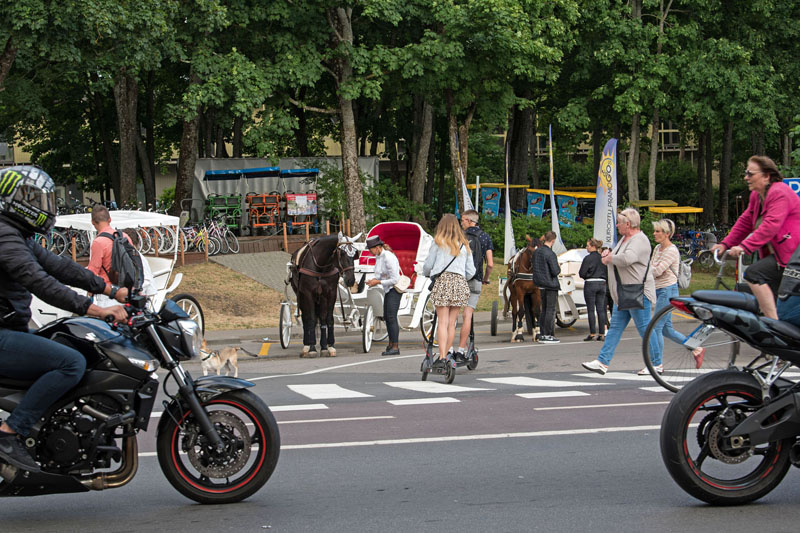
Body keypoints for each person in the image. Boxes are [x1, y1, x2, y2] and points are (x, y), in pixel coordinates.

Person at [0, 166, 128, 472]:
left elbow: (60, 267)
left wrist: (111, 289)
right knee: (71, 363)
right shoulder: (5, 237)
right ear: (15, 199)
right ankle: (9, 433)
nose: (44, 206)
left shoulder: (16, 233)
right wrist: (96, 309)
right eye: (34, 198)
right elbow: (41, 282)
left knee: (68, 342)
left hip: (11, 327)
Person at [710, 155, 800, 320]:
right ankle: (775, 333)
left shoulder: (779, 192)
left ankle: (774, 328)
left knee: (754, 274)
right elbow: (744, 222)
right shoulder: (757, 196)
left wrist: (744, 247)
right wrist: (725, 244)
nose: (746, 177)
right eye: (746, 173)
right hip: (781, 257)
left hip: (793, 257)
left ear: (766, 176)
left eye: (750, 174)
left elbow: (771, 225)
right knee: (776, 302)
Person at [582, 208, 658, 375]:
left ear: (628, 224)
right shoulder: (625, 239)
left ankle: (656, 363)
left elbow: (627, 258)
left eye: (619, 222)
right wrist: (608, 253)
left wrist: (610, 258)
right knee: (615, 327)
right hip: (624, 293)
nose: (616, 225)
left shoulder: (639, 240)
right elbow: (619, 256)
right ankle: (602, 362)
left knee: (644, 328)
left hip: (637, 292)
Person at [639, 218, 705, 375]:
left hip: (668, 291)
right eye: (655, 231)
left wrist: (648, 270)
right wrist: (650, 269)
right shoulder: (657, 249)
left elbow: (656, 270)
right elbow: (652, 267)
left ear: (667, 234)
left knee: (655, 327)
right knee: (667, 330)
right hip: (660, 289)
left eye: (658, 231)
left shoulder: (671, 250)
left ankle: (657, 364)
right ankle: (695, 347)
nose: (654, 234)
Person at [422, 214, 475, 366]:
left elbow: (428, 265)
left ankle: (442, 357)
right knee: (452, 323)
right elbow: (471, 270)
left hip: (443, 281)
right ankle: (448, 355)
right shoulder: (464, 245)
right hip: (459, 283)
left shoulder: (438, 242)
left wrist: (427, 273)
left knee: (442, 322)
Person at [456, 209, 494, 360]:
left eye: (463, 220)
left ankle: (447, 348)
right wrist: (485, 278)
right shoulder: (485, 237)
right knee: (467, 315)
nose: (461, 222)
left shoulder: (460, 236)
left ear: (471, 221)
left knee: (453, 315)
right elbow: (490, 264)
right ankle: (461, 349)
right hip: (476, 279)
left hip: (459, 278)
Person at [87, 205, 135, 307]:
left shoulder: (98, 242)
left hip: (108, 293)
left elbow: (93, 271)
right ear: (109, 219)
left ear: (92, 222)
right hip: (127, 290)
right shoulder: (125, 237)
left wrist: (89, 291)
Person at [365, 235, 402, 356]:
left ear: (377, 247)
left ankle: (395, 346)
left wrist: (378, 282)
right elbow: (381, 274)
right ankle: (391, 344)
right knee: (387, 316)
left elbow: (395, 279)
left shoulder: (388, 257)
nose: (370, 252)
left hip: (394, 289)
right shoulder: (379, 257)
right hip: (387, 289)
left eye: (371, 249)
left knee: (391, 317)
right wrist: (373, 280)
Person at [532, 231, 561, 344]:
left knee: (544, 309)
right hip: (550, 284)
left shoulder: (536, 252)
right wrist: (558, 267)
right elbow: (555, 271)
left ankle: (543, 334)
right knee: (550, 310)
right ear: (553, 241)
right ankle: (548, 334)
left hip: (540, 284)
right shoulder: (551, 254)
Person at [578, 238, 607, 342]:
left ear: (593, 246)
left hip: (590, 283)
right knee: (601, 309)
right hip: (602, 283)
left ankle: (592, 333)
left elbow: (581, 273)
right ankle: (602, 333)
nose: (587, 248)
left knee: (591, 309)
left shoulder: (587, 258)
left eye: (588, 246)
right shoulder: (602, 258)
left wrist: (587, 276)